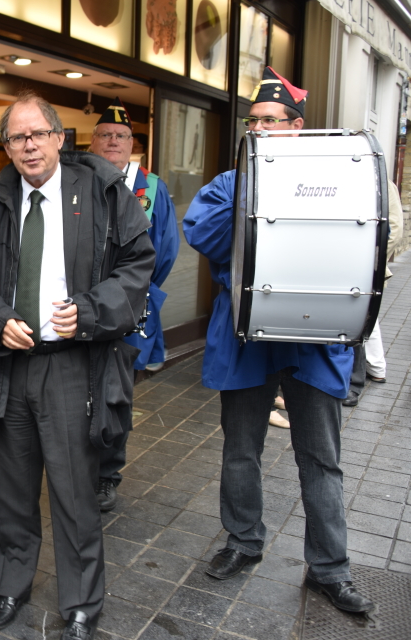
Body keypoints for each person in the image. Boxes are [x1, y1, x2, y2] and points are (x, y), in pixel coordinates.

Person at [0, 90, 155, 639]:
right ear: (8, 147)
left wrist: (89, 313)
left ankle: (82, 601)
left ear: (60, 138)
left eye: (38, 133)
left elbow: (139, 265)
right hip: (9, 367)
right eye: (17, 136)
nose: (28, 145)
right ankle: (13, 585)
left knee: (73, 489)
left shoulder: (105, 193)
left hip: (71, 365)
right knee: (12, 490)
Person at [183, 67, 374, 614]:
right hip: (246, 338)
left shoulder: (336, 177)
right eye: (254, 121)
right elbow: (209, 235)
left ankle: (329, 569)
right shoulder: (229, 181)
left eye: (272, 120)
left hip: (314, 340)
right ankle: (243, 541)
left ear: (298, 126)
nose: (261, 129)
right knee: (241, 450)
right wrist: (259, 186)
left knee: (321, 459)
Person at [88, 97, 180, 512]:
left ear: (132, 143)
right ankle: (80, 469)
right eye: (105, 135)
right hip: (83, 311)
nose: (113, 141)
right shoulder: (79, 179)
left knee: (118, 397)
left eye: (121, 136)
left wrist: (133, 296)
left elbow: (166, 251)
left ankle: (107, 476)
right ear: (93, 142)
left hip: (129, 314)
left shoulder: (153, 189)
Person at [344, 180, 404, 405]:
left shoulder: (380, 182)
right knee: (369, 317)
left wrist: (370, 261)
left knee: (363, 317)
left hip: (366, 266)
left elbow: (395, 230)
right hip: (347, 264)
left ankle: (362, 377)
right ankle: (377, 367)